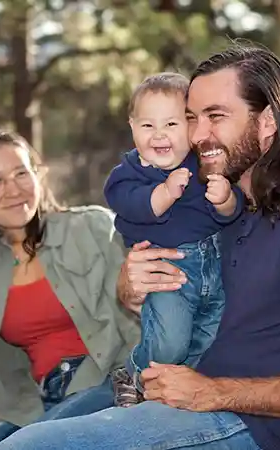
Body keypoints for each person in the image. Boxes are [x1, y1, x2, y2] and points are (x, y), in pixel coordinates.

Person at [0, 43, 280, 450]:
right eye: (191, 119)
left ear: (268, 121)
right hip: (170, 391)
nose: (198, 136)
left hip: (252, 427)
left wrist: (215, 392)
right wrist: (131, 287)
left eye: (216, 117)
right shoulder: (214, 202)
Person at [0, 128, 141, 450]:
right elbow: (10, 367)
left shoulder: (92, 228)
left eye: (20, 173)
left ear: (38, 176)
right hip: (45, 402)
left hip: (111, 383)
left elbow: (147, 306)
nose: (13, 190)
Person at [103, 72, 244, 407]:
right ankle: (134, 372)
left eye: (171, 124)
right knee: (171, 343)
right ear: (132, 126)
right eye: (147, 126)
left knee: (210, 340)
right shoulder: (129, 173)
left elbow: (230, 215)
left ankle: (168, 393)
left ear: (191, 128)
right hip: (170, 273)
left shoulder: (203, 165)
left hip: (215, 271)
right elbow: (132, 205)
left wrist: (225, 199)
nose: (159, 135)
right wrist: (164, 193)